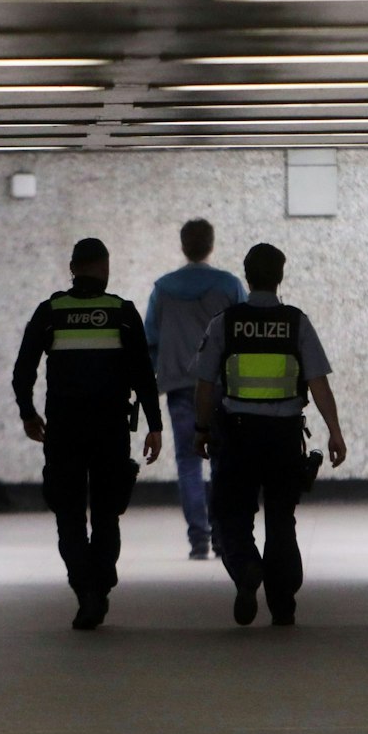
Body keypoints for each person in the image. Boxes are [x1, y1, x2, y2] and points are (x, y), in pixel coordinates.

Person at [192, 243, 346, 627]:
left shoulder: (223, 323)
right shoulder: (297, 323)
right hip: (283, 437)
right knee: (281, 519)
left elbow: (205, 383)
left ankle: (245, 567)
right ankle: (283, 605)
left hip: (237, 436)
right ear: (280, 276)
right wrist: (335, 432)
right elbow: (318, 384)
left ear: (247, 276)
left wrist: (201, 429)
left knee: (232, 514)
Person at [12, 237, 164, 630]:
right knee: (107, 513)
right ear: (104, 267)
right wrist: (155, 424)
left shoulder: (51, 312)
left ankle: (86, 591)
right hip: (110, 427)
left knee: (68, 513)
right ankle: (100, 583)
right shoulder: (122, 313)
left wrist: (28, 413)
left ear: (73, 267)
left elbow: (23, 370)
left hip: (63, 429)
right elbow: (144, 376)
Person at [145, 218, 248, 560]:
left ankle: (198, 540)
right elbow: (243, 334)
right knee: (221, 461)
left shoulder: (163, 288)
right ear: (211, 244)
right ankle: (221, 538)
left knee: (189, 463)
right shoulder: (229, 285)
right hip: (220, 387)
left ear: (183, 245)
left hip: (179, 387)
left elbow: (151, 341)